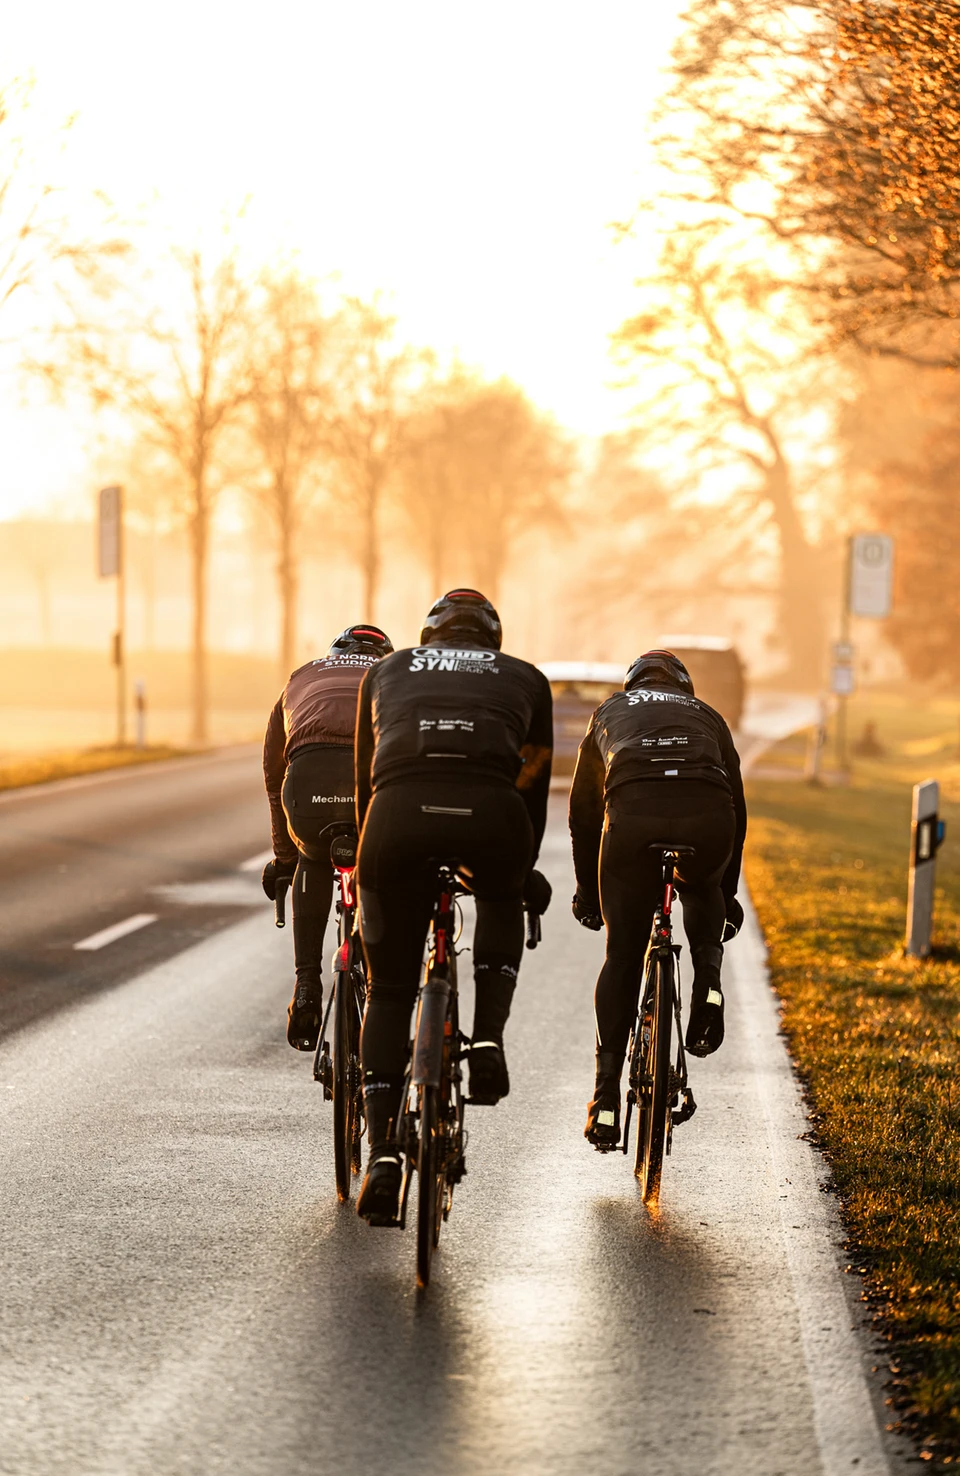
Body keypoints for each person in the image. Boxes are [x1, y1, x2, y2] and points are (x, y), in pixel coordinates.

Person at [352, 588, 553, 1225]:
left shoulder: (386, 670)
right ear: (491, 639)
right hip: (493, 816)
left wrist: (372, 862)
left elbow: (366, 776)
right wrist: (521, 870)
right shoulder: (527, 678)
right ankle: (488, 1041)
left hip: (395, 816)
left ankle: (383, 1148)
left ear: (429, 635)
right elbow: (534, 780)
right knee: (497, 899)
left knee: (387, 993)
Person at [568, 649, 746, 1150]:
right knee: (701, 887)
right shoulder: (708, 715)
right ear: (683, 687)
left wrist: (587, 892)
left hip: (633, 820)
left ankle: (604, 1098)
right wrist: (726, 892)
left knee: (622, 955)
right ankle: (708, 984)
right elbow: (739, 807)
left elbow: (583, 815)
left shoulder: (608, 712)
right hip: (709, 819)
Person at [260, 624, 394, 1050]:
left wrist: (284, 859)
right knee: (382, 859)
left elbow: (272, 774)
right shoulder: (397, 675)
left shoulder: (301, 676)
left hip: (307, 782)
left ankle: (305, 985)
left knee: (313, 857)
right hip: (369, 781)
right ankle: (383, 987)